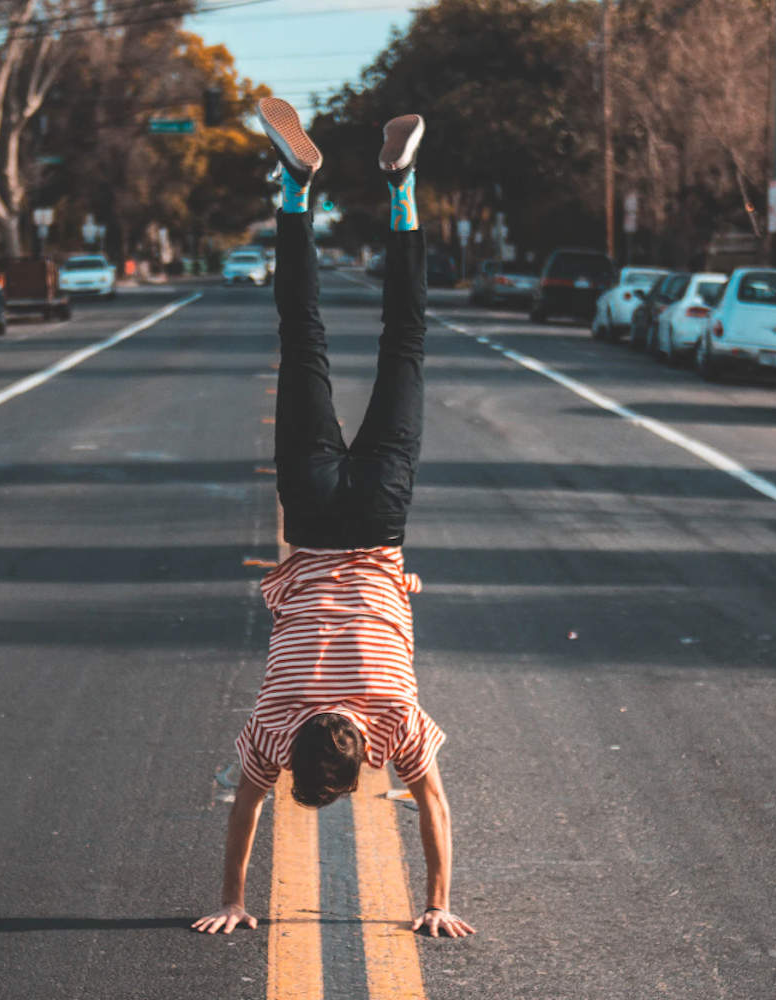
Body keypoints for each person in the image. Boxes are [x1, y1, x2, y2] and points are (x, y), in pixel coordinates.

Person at [193, 98, 474, 940]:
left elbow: (435, 806)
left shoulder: (392, 715)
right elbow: (243, 809)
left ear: (356, 751)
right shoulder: (276, 719)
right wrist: (232, 898)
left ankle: (402, 187)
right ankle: (294, 187)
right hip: (313, 516)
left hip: (380, 515)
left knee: (406, 342)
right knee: (300, 336)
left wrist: (438, 904)